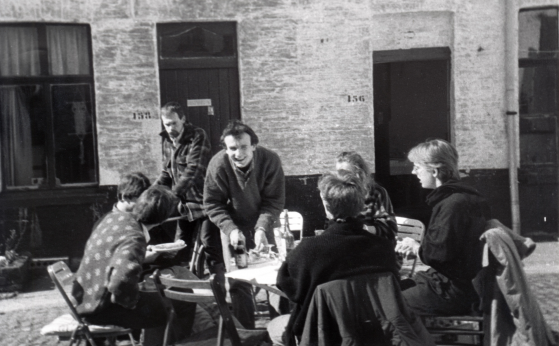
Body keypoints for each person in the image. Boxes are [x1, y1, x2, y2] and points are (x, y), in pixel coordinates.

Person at [267, 172, 400, 346]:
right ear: (361, 205)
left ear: (326, 206)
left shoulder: (308, 250)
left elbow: (291, 290)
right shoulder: (384, 248)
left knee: (274, 326)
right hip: (374, 333)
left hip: (324, 335)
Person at [71, 185, 196, 337]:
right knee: (182, 300)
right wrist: (135, 301)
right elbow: (120, 282)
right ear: (164, 218)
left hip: (85, 298)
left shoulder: (115, 217)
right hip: (99, 309)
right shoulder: (135, 237)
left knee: (160, 296)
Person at [204, 119, 285, 328]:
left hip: (265, 223)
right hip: (232, 227)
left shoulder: (270, 160)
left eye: (243, 147)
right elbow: (212, 203)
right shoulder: (218, 164)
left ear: (254, 146)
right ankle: (248, 336)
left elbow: (274, 200)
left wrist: (261, 228)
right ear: (225, 149)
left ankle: (280, 334)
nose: (238, 153)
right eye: (232, 148)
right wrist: (230, 229)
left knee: (277, 279)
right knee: (238, 282)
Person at [396, 139, 491, 316]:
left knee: (387, 305)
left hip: (453, 291)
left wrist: (416, 248)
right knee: (392, 290)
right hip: (456, 284)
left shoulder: (452, 205)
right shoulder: (462, 197)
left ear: (434, 170)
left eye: (417, 167)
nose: (413, 172)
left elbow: (439, 255)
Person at [154, 101, 222, 271]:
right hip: (185, 204)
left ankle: (220, 286)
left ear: (183, 119)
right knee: (178, 245)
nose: (170, 128)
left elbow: (194, 169)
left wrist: (172, 195)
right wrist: (151, 193)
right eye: (166, 124)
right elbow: (167, 173)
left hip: (205, 200)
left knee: (209, 245)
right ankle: (183, 286)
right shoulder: (167, 141)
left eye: (174, 123)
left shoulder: (197, 135)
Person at [336, 151, 397, 243]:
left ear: (359, 174)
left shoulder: (376, 193)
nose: (341, 178)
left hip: (371, 246)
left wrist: (363, 228)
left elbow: (389, 229)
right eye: (338, 173)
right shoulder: (338, 193)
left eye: (345, 173)